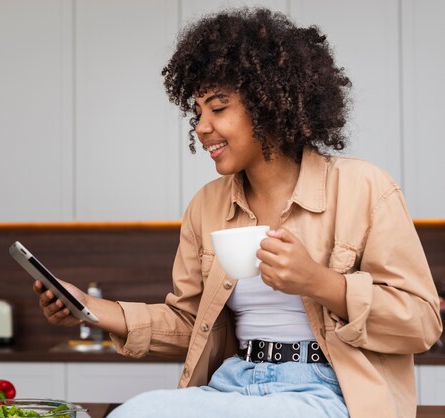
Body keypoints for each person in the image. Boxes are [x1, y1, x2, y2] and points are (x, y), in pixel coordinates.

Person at [34, 7, 442, 418]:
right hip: (235, 383)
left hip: (332, 390)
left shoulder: (365, 188)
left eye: (218, 107)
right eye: (197, 112)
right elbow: (192, 323)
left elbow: (422, 323)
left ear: (268, 103)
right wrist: (92, 308)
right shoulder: (206, 206)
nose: (201, 126)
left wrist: (321, 283)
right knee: (133, 413)